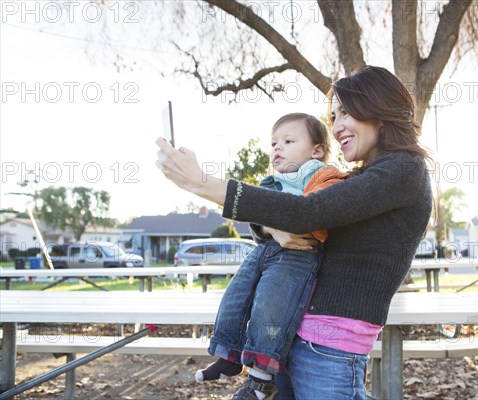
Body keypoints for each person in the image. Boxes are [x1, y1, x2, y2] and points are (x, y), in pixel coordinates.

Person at [156, 65, 433, 400]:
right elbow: (297, 209)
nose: (337, 127)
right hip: (293, 334)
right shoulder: (363, 175)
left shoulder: (402, 170)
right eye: (333, 116)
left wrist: (201, 183)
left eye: (346, 113)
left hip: (329, 346)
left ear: (378, 108)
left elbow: (306, 212)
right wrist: (272, 228)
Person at [195, 112, 347, 399]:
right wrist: (270, 226)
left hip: (299, 253)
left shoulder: (327, 177)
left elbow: (313, 213)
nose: (277, 147)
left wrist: (276, 219)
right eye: (274, 142)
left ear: (317, 150)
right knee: (235, 295)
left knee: (270, 307)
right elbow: (257, 219)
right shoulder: (271, 183)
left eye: (288, 141)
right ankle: (228, 353)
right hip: (265, 249)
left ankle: (261, 378)